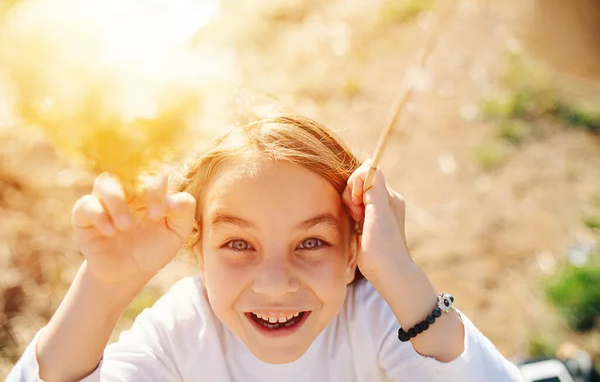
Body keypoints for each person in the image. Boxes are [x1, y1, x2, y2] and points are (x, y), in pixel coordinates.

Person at [8, 112, 523, 381]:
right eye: (237, 243)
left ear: (353, 253)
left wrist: (400, 274)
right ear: (198, 252)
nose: (275, 282)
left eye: (313, 241)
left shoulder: (378, 315)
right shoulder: (185, 327)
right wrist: (104, 286)